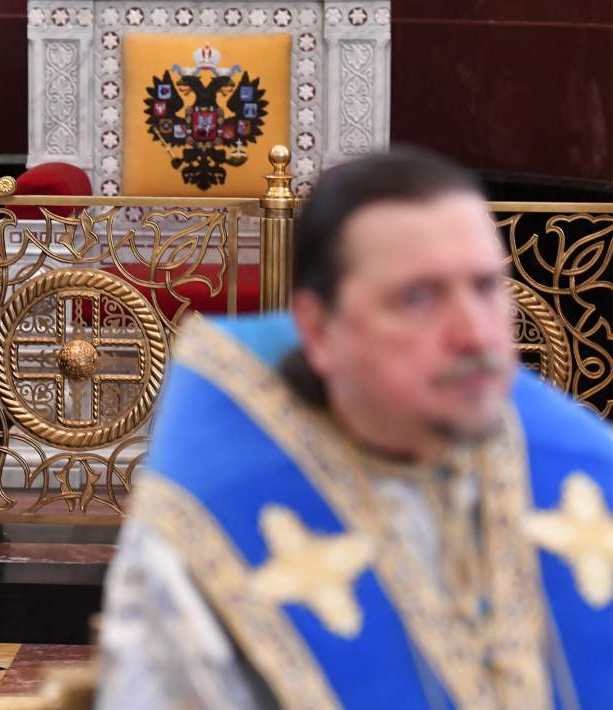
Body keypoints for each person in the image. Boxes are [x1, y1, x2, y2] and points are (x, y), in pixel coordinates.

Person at [96, 148, 613, 709]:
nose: (475, 334)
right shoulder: (208, 522)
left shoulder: (580, 468)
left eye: (487, 287)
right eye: (419, 297)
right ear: (317, 330)